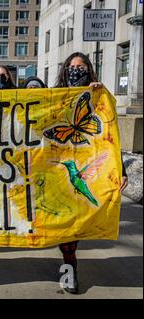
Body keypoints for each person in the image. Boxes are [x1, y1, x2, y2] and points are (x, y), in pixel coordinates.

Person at [53, 52, 128, 294]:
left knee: (75, 221)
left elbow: (110, 137)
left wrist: (121, 169)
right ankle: (68, 259)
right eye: (72, 66)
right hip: (56, 170)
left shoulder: (98, 98)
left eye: (81, 66)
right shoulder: (53, 96)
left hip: (87, 166)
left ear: (89, 70)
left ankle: (70, 264)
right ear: (65, 70)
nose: (76, 70)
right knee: (63, 219)